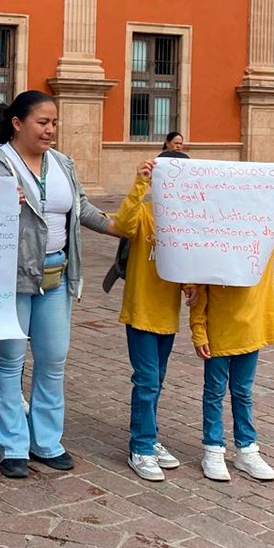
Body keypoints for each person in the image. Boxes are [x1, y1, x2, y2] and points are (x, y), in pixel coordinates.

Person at [0, 90, 116, 479]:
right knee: (8, 362)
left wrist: (123, 228)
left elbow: (82, 209)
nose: (50, 130)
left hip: (56, 275)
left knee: (52, 361)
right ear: (18, 123)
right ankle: (13, 446)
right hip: (11, 279)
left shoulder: (62, 163)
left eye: (54, 123)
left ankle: (47, 442)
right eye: (42, 122)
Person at [190, 167, 274, 483]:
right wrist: (198, 329)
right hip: (219, 333)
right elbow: (199, 292)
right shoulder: (213, 244)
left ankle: (247, 450)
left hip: (251, 330)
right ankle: (213, 449)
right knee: (214, 392)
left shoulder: (266, 239)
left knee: (243, 392)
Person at [113, 152, 195, 482]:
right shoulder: (145, 214)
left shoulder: (187, 220)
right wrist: (140, 184)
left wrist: (191, 285)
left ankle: (151, 436)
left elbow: (191, 260)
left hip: (167, 315)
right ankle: (141, 447)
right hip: (141, 311)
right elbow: (123, 223)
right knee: (146, 381)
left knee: (156, 382)